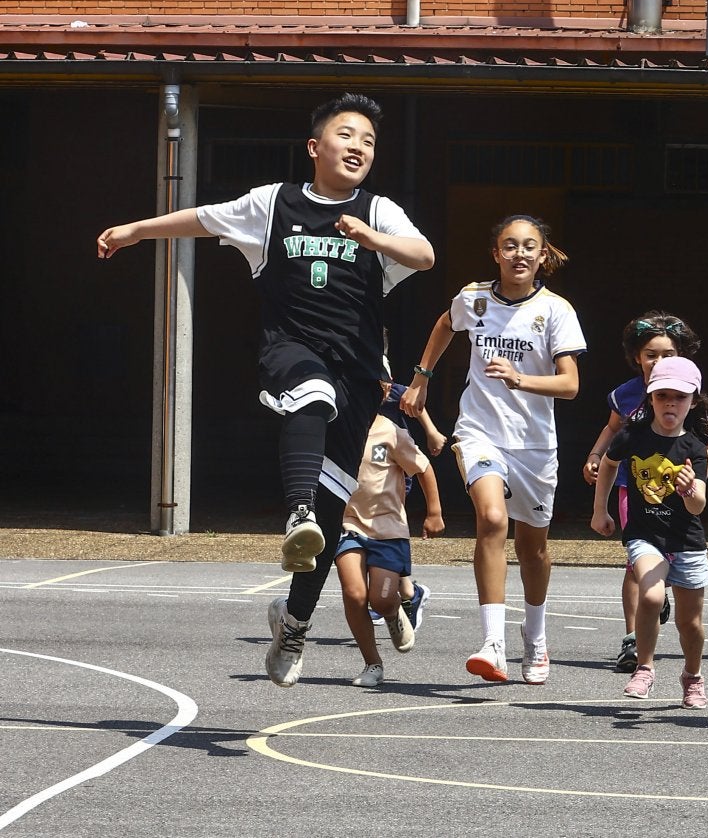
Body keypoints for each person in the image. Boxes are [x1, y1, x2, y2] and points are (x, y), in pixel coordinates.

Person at [96, 93, 434, 688]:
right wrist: (136, 231)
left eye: (370, 142)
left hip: (358, 371)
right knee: (311, 396)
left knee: (332, 520)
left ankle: (294, 622)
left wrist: (375, 241)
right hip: (291, 349)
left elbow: (425, 255)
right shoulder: (273, 204)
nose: (359, 146)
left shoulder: (378, 212)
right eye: (347, 135)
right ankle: (296, 509)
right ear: (315, 147)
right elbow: (203, 217)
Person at [401, 214, 585, 686]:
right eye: (509, 246)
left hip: (535, 444)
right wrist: (422, 377)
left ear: (543, 255)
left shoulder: (556, 311)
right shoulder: (474, 299)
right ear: (496, 253)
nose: (519, 254)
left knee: (533, 549)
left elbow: (570, 385)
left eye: (528, 247)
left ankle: (536, 637)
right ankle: (493, 643)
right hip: (480, 432)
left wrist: (521, 378)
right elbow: (444, 325)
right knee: (492, 519)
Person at [591, 357, 708, 709]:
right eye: (662, 396)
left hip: (687, 541)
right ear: (650, 398)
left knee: (689, 624)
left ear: (692, 401)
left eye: (678, 397)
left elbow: (699, 507)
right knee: (650, 597)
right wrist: (599, 510)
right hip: (644, 535)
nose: (670, 404)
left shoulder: (695, 448)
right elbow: (608, 463)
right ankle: (645, 668)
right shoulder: (633, 436)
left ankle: (692, 676)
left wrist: (690, 490)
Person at [581, 312, 704, 672]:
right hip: (630, 488)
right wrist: (594, 456)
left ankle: (660, 589)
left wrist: (697, 479)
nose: (659, 362)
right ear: (638, 357)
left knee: (663, 564)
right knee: (636, 564)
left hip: (676, 493)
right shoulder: (627, 395)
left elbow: (706, 443)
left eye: (668, 354)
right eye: (651, 354)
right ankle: (632, 638)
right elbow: (611, 431)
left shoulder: (686, 396)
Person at [333, 379, 442, 687]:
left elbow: (423, 468)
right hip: (349, 524)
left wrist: (434, 513)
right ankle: (372, 663)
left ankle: (394, 612)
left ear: (381, 393)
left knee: (380, 601)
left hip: (387, 528)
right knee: (354, 594)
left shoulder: (392, 432)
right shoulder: (338, 428)